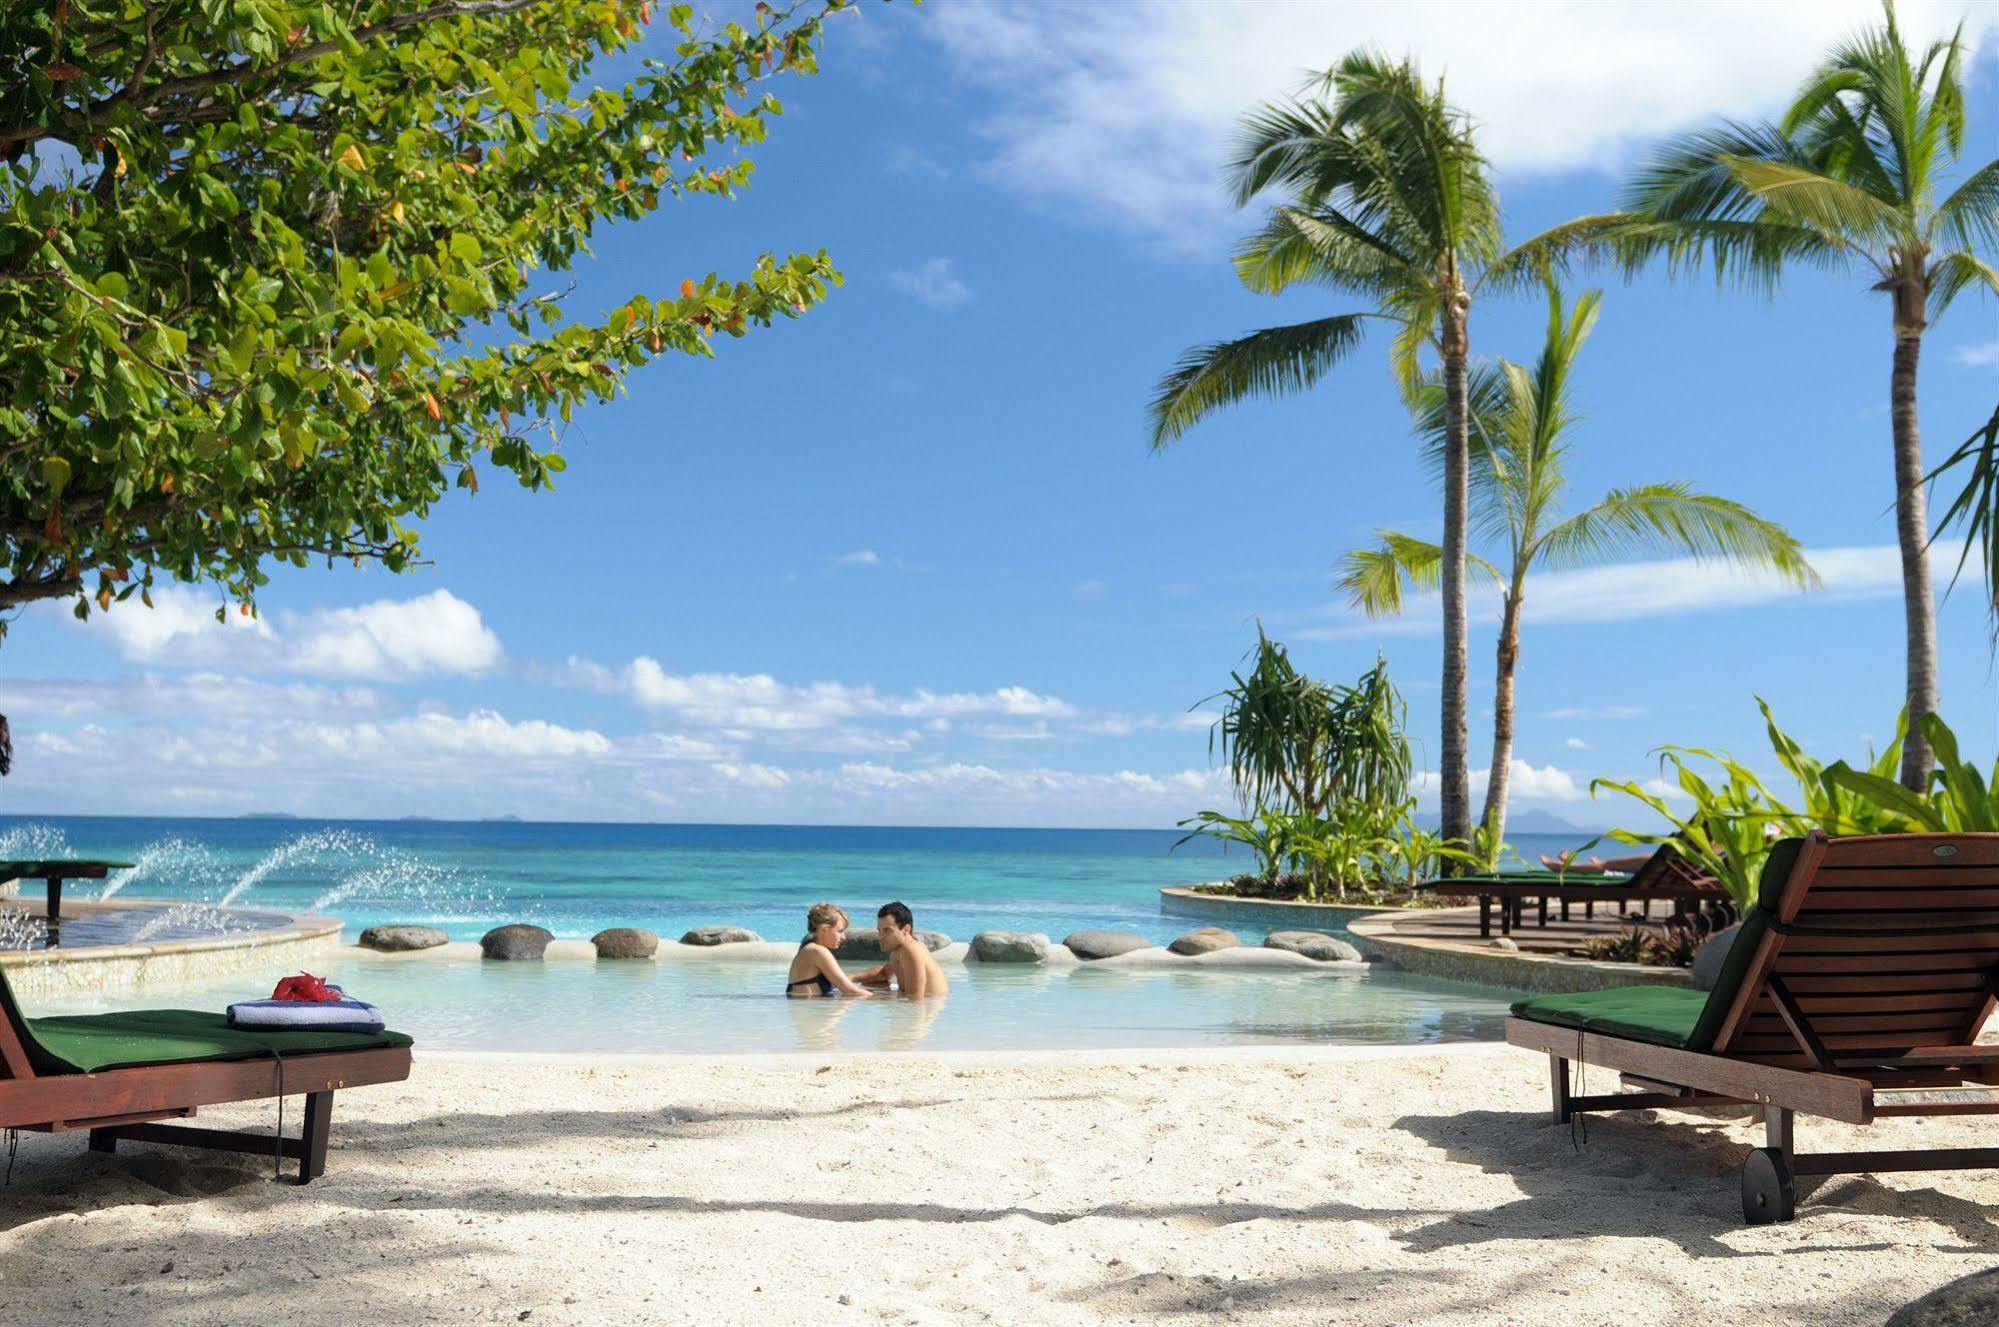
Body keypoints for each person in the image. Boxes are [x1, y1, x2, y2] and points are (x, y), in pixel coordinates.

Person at [855, 900, 949, 998]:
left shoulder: (911, 950)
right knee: (870, 985)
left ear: (906, 930)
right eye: (879, 930)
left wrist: (868, 997)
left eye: (887, 930)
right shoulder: (899, 950)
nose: (881, 937)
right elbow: (884, 973)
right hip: (920, 1004)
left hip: (927, 1006)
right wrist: (850, 978)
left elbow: (914, 1000)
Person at [784, 902, 872, 998]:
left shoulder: (808, 946)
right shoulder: (818, 952)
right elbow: (851, 991)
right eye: (840, 931)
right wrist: (882, 1000)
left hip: (810, 1008)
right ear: (823, 930)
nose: (844, 937)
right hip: (813, 1010)